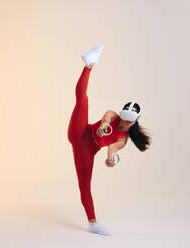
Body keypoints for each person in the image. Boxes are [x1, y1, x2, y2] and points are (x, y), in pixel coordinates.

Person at [67, 45, 151, 236]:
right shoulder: (114, 116)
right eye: (123, 115)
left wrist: (110, 160)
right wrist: (103, 126)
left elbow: (110, 152)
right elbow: (107, 117)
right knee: (82, 101)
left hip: (86, 151)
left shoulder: (123, 140)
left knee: (85, 186)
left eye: (128, 119)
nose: (123, 120)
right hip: (80, 132)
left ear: (136, 120)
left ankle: (92, 223)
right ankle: (89, 65)